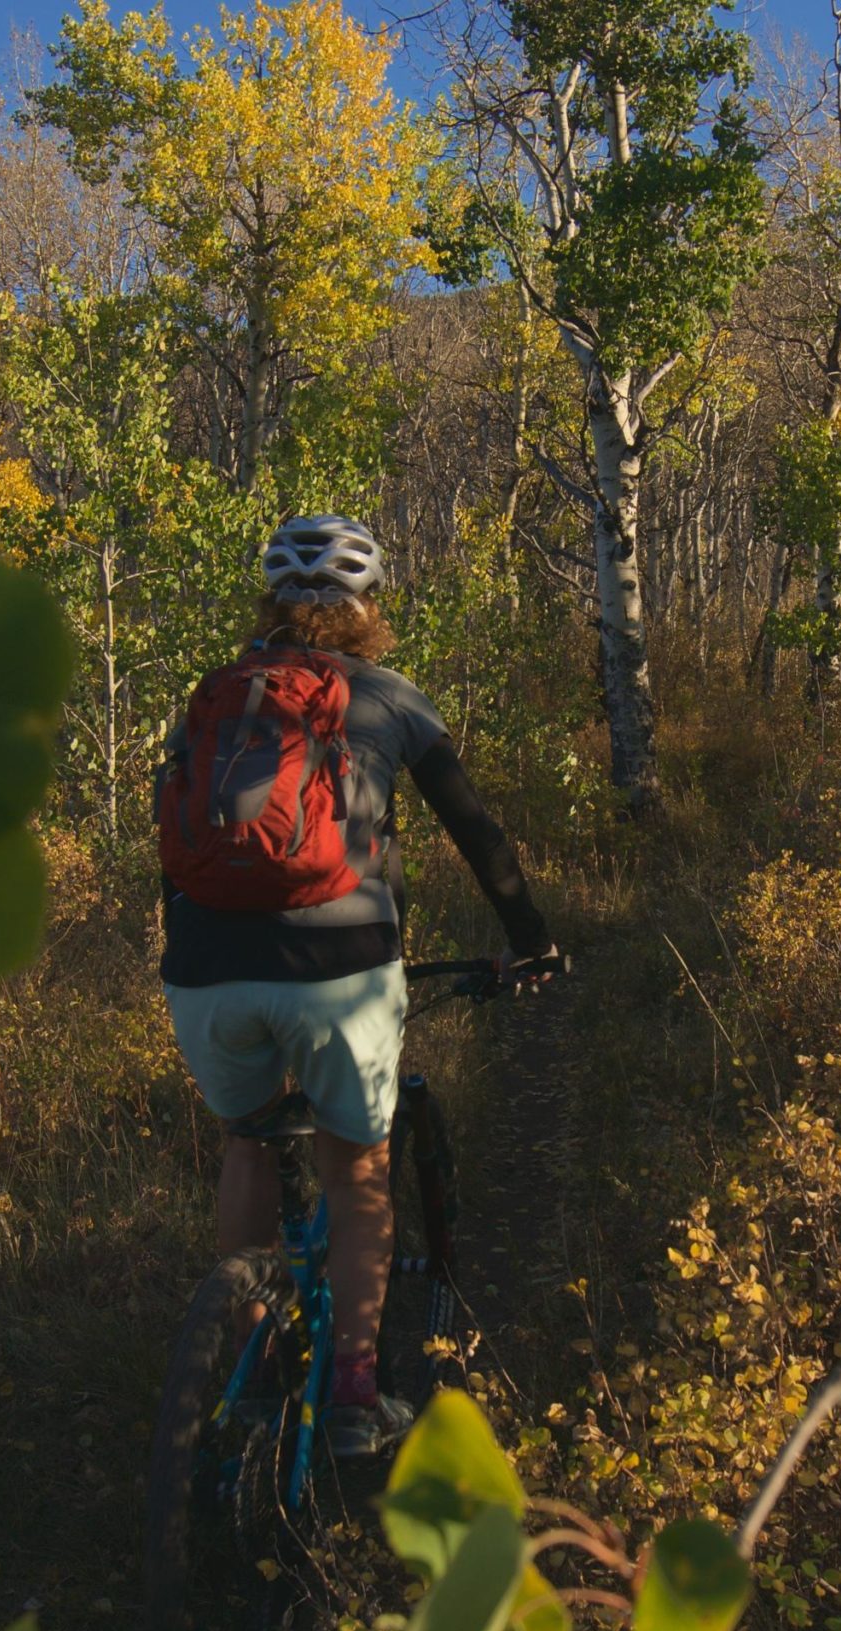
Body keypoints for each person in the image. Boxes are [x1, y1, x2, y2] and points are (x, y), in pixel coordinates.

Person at [158, 514, 562, 1459]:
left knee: (249, 1147)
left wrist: (199, 949)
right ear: (366, 608)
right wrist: (533, 942)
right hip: (338, 973)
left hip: (207, 969)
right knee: (357, 1166)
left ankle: (252, 1360)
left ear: (271, 604)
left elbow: (175, 845)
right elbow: (480, 837)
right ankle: (351, 1394)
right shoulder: (388, 696)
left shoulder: (213, 697)